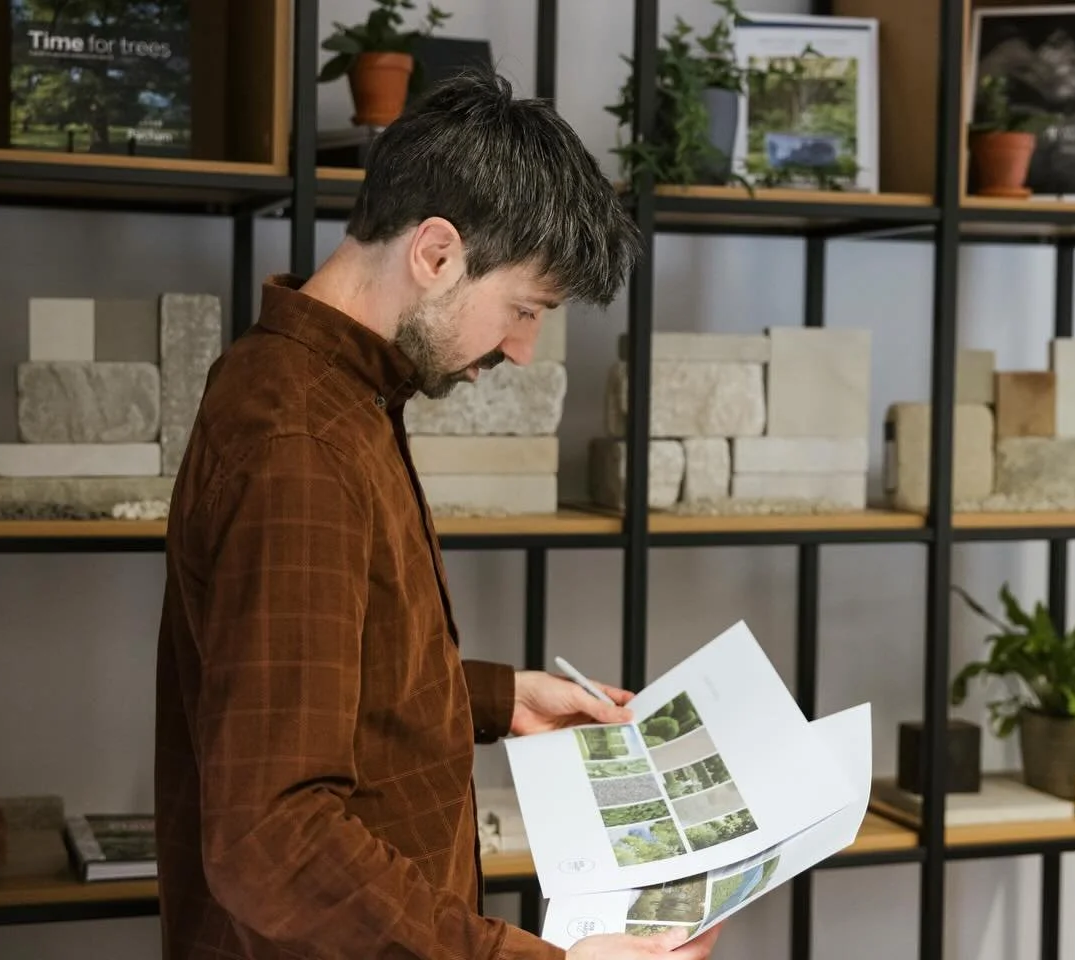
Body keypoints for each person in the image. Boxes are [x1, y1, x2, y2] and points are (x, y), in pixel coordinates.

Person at [154, 71, 724, 960]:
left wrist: (495, 699)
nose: (525, 349)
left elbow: (323, 685)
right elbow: (272, 841)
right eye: (524, 308)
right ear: (435, 253)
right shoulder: (302, 443)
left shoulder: (334, 394)